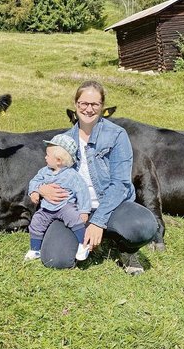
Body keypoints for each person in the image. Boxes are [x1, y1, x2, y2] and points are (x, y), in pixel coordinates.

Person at [37, 81, 158, 275]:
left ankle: (125, 249)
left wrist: (97, 221)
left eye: (95, 104)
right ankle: (85, 238)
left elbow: (120, 184)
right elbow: (51, 170)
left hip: (114, 206)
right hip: (76, 209)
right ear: (76, 105)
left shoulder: (117, 135)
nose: (88, 109)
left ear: (102, 107)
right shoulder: (65, 139)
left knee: (143, 226)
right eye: (84, 103)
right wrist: (41, 189)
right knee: (54, 259)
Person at [25, 134, 93, 262]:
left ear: (59, 160)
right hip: (47, 207)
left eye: (47, 155)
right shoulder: (44, 171)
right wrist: (34, 191)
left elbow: (82, 192)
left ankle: (83, 244)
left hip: (65, 206)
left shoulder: (72, 176)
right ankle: (35, 249)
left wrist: (84, 210)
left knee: (75, 219)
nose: (45, 157)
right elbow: (34, 181)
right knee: (36, 223)